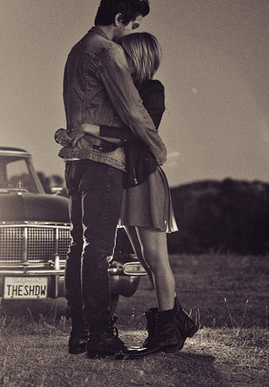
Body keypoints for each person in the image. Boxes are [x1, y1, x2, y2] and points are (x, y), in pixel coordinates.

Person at [56, 32, 198, 357]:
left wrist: (91, 129)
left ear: (138, 57)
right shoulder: (122, 90)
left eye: (125, 55)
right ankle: (176, 320)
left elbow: (135, 133)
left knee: (157, 259)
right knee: (146, 261)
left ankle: (169, 332)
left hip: (145, 178)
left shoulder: (152, 90)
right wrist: (75, 136)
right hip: (126, 179)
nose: (118, 60)